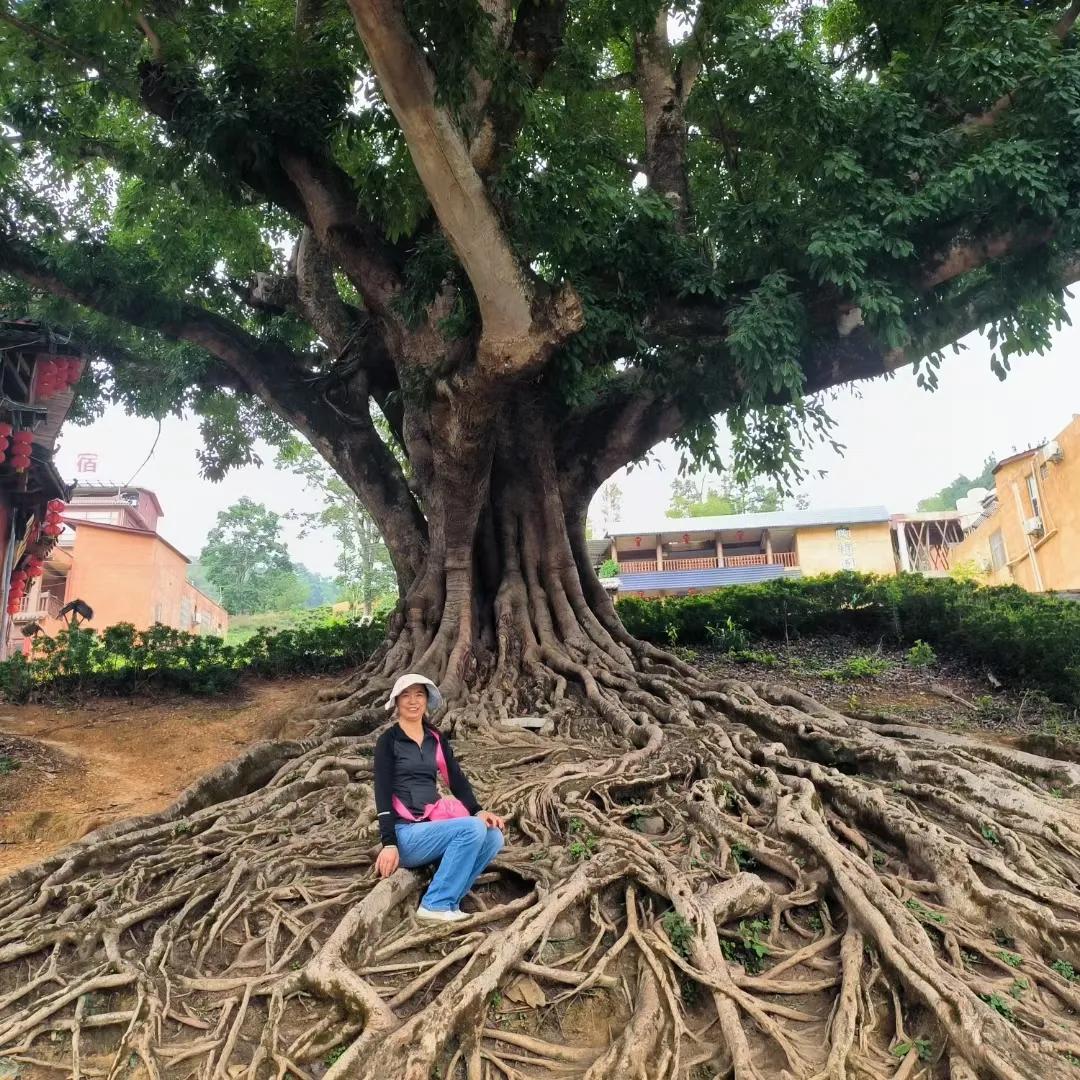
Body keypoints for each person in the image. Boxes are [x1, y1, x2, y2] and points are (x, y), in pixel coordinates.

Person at [373, 673, 505, 922]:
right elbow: (381, 793)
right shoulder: (388, 742)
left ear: (426, 701)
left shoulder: (435, 738)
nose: (413, 701)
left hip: (431, 830)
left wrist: (478, 810)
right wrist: (389, 843)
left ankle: (451, 902)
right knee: (471, 829)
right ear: (397, 702)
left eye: (419, 695)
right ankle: (434, 904)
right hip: (405, 835)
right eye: (406, 695)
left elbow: (455, 779)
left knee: (494, 837)